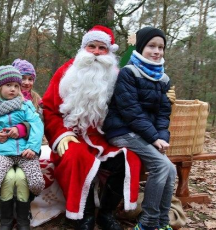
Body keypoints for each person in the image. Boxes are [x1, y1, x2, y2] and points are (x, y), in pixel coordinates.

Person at [42, 25, 142, 230]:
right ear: (83, 48)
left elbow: (132, 106)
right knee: (75, 157)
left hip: (105, 137)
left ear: (109, 52)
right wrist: (61, 135)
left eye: (102, 48)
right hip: (72, 135)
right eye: (91, 46)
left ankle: (107, 213)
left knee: (128, 158)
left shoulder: (117, 76)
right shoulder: (66, 71)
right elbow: (49, 109)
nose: (96, 52)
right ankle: (83, 216)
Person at [103, 27, 176, 230]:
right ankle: (147, 223)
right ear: (141, 47)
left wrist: (161, 136)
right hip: (122, 131)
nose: (157, 51)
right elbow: (130, 112)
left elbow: (163, 113)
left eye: (161, 47)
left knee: (170, 169)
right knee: (161, 166)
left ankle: (162, 222)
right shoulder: (129, 73)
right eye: (151, 46)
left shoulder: (163, 79)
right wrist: (153, 137)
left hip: (145, 133)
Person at [0, 65, 45, 230]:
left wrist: (33, 148)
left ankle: (23, 214)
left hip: (25, 153)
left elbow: (37, 125)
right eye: (8, 85)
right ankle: (5, 217)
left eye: (16, 86)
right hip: (2, 153)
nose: (13, 89)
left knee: (37, 184)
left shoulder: (24, 104)